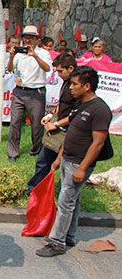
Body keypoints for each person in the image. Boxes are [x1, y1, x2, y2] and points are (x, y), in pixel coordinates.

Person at [36, 66, 112, 257]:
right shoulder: (80, 104)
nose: (70, 87)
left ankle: (56, 243)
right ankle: (68, 236)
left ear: (87, 86)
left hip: (79, 164)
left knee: (65, 202)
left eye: (74, 84)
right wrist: (59, 158)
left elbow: (98, 142)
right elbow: (71, 131)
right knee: (73, 201)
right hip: (68, 159)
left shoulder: (100, 109)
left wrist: (83, 168)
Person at [27, 55, 78, 194]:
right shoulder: (67, 82)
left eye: (61, 71)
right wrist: (51, 115)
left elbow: (76, 114)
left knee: (63, 167)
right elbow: (64, 104)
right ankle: (34, 189)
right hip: (57, 127)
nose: (59, 75)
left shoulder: (77, 87)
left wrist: (56, 124)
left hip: (68, 132)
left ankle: (63, 195)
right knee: (43, 161)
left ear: (71, 68)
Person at [7, 25, 52, 162]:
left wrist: (35, 56)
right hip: (20, 91)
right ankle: (12, 153)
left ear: (36, 39)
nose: (27, 40)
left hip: (36, 92)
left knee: (36, 124)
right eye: (25, 38)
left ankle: (36, 149)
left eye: (31, 38)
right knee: (14, 122)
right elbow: (9, 69)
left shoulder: (43, 53)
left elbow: (48, 68)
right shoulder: (19, 54)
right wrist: (11, 56)